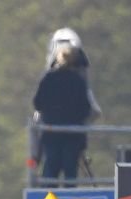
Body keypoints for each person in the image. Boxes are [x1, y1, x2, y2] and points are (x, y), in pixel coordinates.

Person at [33, 44, 92, 186]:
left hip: (51, 133)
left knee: (50, 169)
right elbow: (86, 109)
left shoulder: (49, 78)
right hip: (72, 134)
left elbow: (37, 103)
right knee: (70, 172)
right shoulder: (78, 81)